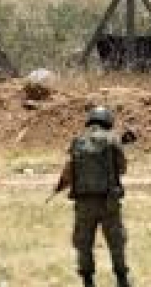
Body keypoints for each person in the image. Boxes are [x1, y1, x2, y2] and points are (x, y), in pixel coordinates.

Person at [53, 106, 135, 287]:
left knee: (83, 242)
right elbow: (122, 168)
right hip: (108, 201)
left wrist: (59, 186)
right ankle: (121, 278)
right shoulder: (112, 140)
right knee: (116, 241)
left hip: (84, 202)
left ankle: (87, 280)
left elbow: (69, 170)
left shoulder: (78, 141)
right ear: (108, 120)